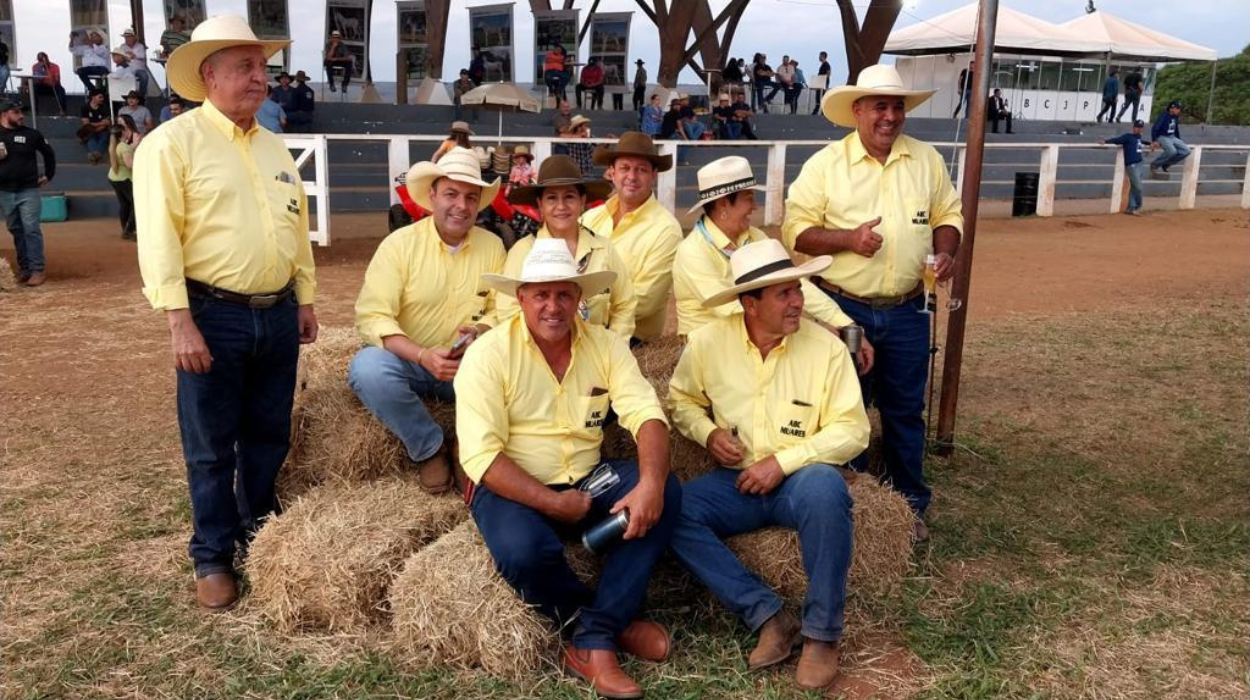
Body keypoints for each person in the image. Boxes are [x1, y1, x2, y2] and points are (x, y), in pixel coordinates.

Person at [134, 15, 319, 611]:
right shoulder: (171, 144)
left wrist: (306, 298)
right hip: (212, 314)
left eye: (262, 67)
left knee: (268, 432)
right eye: (245, 67)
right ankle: (212, 555)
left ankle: (256, 532)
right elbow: (159, 237)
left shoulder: (273, 146)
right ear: (208, 75)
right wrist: (177, 319)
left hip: (278, 312)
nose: (259, 78)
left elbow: (295, 226)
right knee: (211, 444)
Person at [456, 237, 681, 700]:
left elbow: (647, 415)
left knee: (665, 492)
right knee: (523, 550)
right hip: (509, 482)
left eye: (564, 294)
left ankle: (596, 633)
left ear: (580, 298)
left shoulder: (606, 345)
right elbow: (480, 456)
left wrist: (652, 484)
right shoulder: (488, 354)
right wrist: (552, 503)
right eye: (541, 294)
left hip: (586, 477)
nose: (553, 306)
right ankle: (597, 627)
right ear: (520, 298)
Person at [669, 239, 870, 691]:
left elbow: (853, 430)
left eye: (797, 288)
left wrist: (783, 463)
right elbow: (680, 399)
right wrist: (708, 433)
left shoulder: (827, 349)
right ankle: (767, 615)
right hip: (734, 481)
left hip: (800, 478)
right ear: (749, 303)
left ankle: (822, 634)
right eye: (783, 293)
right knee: (671, 507)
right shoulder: (708, 343)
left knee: (825, 488)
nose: (798, 300)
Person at [784, 64, 964, 542]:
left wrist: (946, 251)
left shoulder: (926, 160)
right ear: (857, 111)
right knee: (848, 409)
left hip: (908, 308)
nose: (890, 116)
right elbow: (795, 230)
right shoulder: (825, 164)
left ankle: (909, 505)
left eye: (897, 106)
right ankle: (856, 504)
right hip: (845, 309)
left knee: (905, 410)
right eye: (879, 106)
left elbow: (949, 213)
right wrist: (847, 238)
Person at [350, 148, 505, 494]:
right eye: (451, 194)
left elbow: (505, 310)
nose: (461, 206)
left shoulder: (494, 247)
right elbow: (373, 317)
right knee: (367, 369)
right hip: (412, 362)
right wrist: (422, 356)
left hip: (470, 366)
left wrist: (480, 331)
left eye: (470, 197)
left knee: (518, 369)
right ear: (432, 196)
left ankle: (470, 447)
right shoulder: (398, 245)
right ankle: (429, 447)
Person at [672, 157, 869, 361]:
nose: (755, 207)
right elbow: (730, 310)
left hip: (758, 337)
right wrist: (812, 334)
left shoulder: (756, 237)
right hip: (713, 349)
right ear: (723, 204)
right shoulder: (693, 251)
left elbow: (795, 284)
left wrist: (843, 322)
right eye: (748, 198)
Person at [496, 155, 635, 337]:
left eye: (569, 197)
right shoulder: (523, 251)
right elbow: (508, 312)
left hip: (596, 355)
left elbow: (625, 304)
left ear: (582, 201)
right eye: (552, 198)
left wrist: (614, 347)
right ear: (540, 204)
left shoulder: (604, 248)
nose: (561, 206)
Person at [583, 132, 682, 343]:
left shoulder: (666, 229)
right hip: (580, 323)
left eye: (642, 170)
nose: (632, 176)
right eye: (625, 168)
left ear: (654, 175)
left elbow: (646, 300)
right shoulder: (589, 218)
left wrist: (584, 310)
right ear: (612, 172)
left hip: (630, 337)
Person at [0, 100, 56, 288]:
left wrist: (48, 175)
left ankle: (37, 270)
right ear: (4, 114)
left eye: (21, 112)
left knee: (31, 228)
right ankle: (25, 269)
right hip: (5, 191)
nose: (21, 116)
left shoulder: (32, 134)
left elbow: (49, 154)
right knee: (16, 229)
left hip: (28, 189)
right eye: (16, 112)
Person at [1101, 119, 1149, 216]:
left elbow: (1142, 142)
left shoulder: (1139, 138)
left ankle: (1131, 208)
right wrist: (1106, 141)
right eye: (1137, 127)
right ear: (1133, 127)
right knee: (1138, 187)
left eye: (1140, 127)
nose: (1138, 129)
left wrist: (1150, 143)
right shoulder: (1128, 137)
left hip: (1139, 163)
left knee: (1134, 186)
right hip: (1131, 165)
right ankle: (1136, 206)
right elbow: (1117, 140)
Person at [107, 114, 141, 240]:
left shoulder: (115, 145)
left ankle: (126, 229)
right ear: (122, 133)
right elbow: (129, 164)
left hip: (114, 177)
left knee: (125, 204)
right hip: (124, 178)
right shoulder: (124, 147)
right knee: (137, 203)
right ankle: (129, 230)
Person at [1150, 100, 1191, 174]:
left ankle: (1166, 164)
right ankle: (1155, 164)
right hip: (1162, 136)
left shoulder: (1175, 116)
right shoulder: (1164, 116)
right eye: (1177, 108)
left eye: (1179, 109)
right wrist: (1154, 141)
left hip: (1172, 137)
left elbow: (1176, 129)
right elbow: (1155, 128)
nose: (1179, 110)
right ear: (1171, 108)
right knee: (1172, 151)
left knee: (1186, 151)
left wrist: (1179, 140)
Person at [29, 52, 69, 117]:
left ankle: (62, 110)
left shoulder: (55, 66)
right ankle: (34, 110)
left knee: (61, 90)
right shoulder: (35, 66)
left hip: (53, 86)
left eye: (42, 59)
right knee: (34, 88)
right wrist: (41, 71)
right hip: (42, 86)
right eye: (39, 59)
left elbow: (57, 80)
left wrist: (54, 78)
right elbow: (36, 80)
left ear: (46, 58)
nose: (41, 61)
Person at [78, 91, 111, 165]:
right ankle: (97, 155)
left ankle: (93, 155)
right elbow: (86, 123)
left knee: (104, 137)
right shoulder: (85, 107)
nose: (102, 99)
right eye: (100, 97)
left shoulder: (105, 107)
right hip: (89, 130)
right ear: (93, 97)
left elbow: (107, 124)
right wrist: (100, 123)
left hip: (101, 130)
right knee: (91, 138)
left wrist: (94, 127)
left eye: (102, 97)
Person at [121, 28, 151, 99]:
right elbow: (120, 58)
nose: (127, 39)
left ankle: (140, 97)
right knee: (116, 76)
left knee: (144, 76)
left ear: (133, 37)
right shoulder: (122, 47)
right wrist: (126, 56)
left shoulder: (140, 46)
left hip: (138, 69)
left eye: (129, 37)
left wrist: (134, 55)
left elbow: (143, 56)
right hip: (127, 69)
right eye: (126, 37)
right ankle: (123, 97)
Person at [811, 51, 831, 115]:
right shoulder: (823, 64)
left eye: (820, 56)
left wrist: (823, 79)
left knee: (821, 96)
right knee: (818, 97)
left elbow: (828, 73)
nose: (819, 57)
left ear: (823, 56)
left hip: (823, 83)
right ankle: (817, 111)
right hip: (820, 82)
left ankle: (822, 111)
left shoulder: (826, 64)